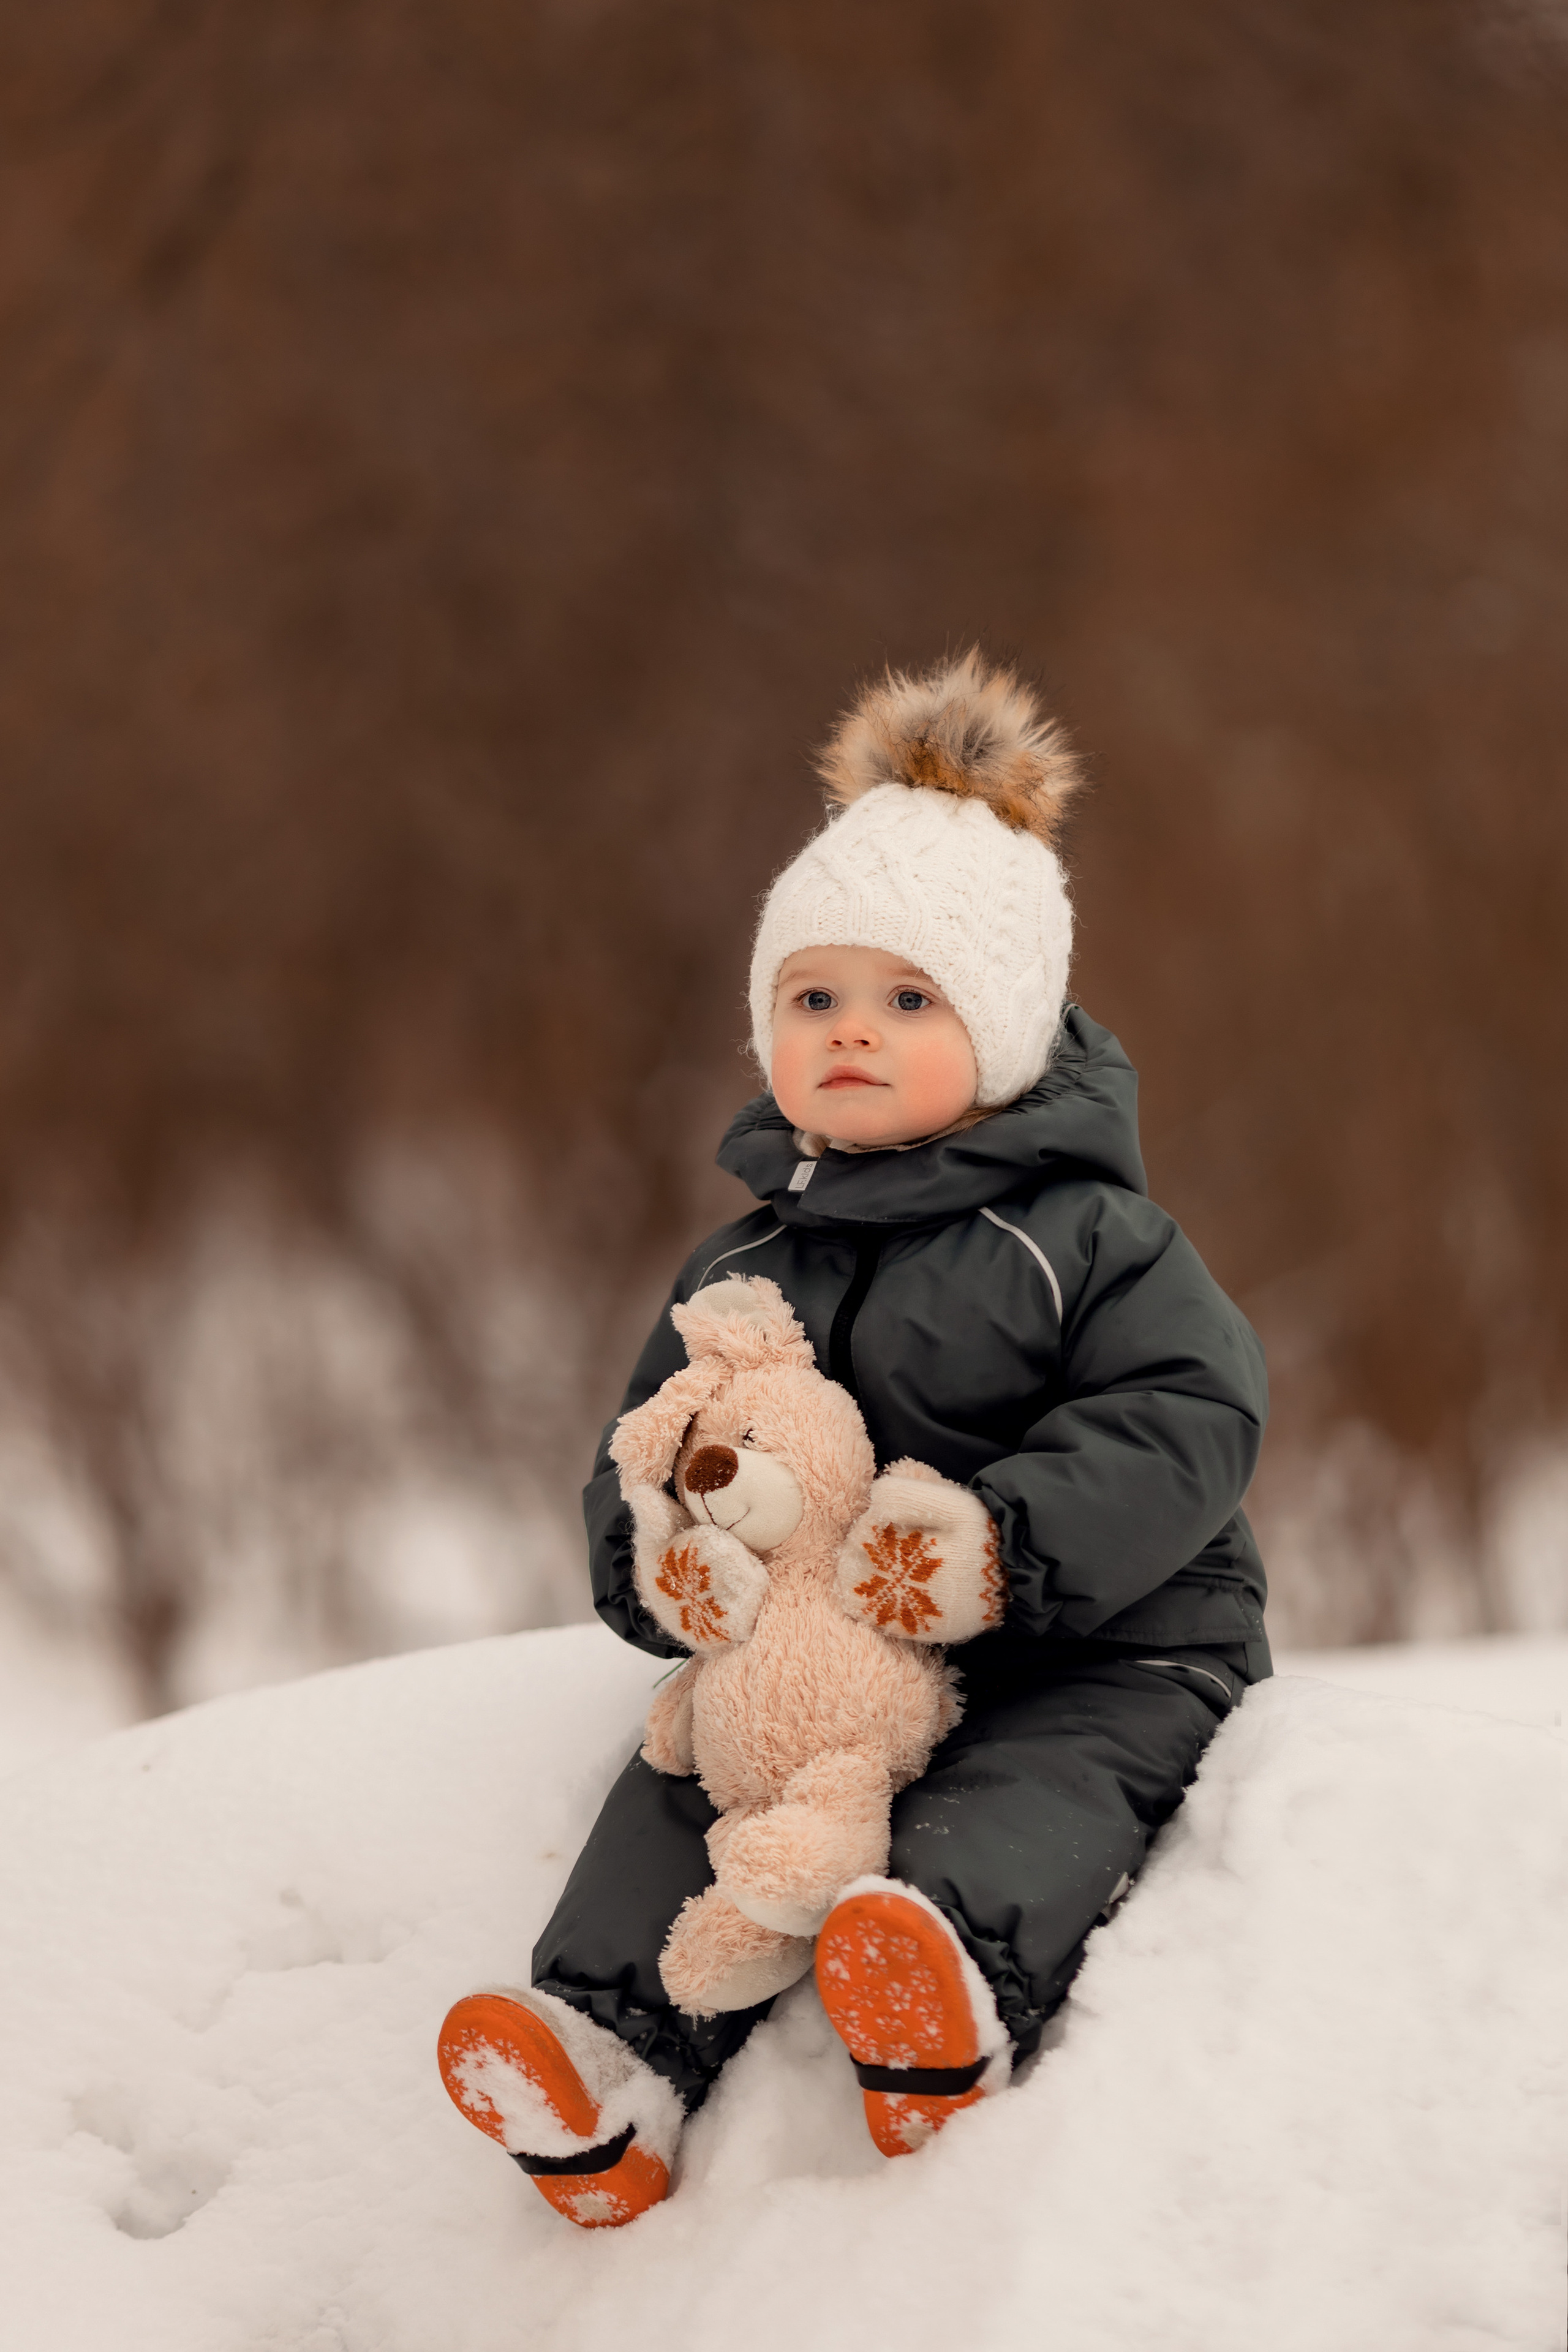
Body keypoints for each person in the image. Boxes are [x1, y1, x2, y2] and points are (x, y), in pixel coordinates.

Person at [436, 649, 1270, 2229]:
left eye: (908, 999)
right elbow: (643, 1447)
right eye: (810, 997)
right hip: (825, 1668)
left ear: (1010, 1027)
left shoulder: (1094, 1240)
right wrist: (666, 1569)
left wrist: (1001, 1546)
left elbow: (1189, 1417)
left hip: (1095, 1644)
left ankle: (939, 1987)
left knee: (1036, 1786)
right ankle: (602, 2062)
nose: (850, 1032)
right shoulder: (741, 1265)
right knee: (683, 1783)